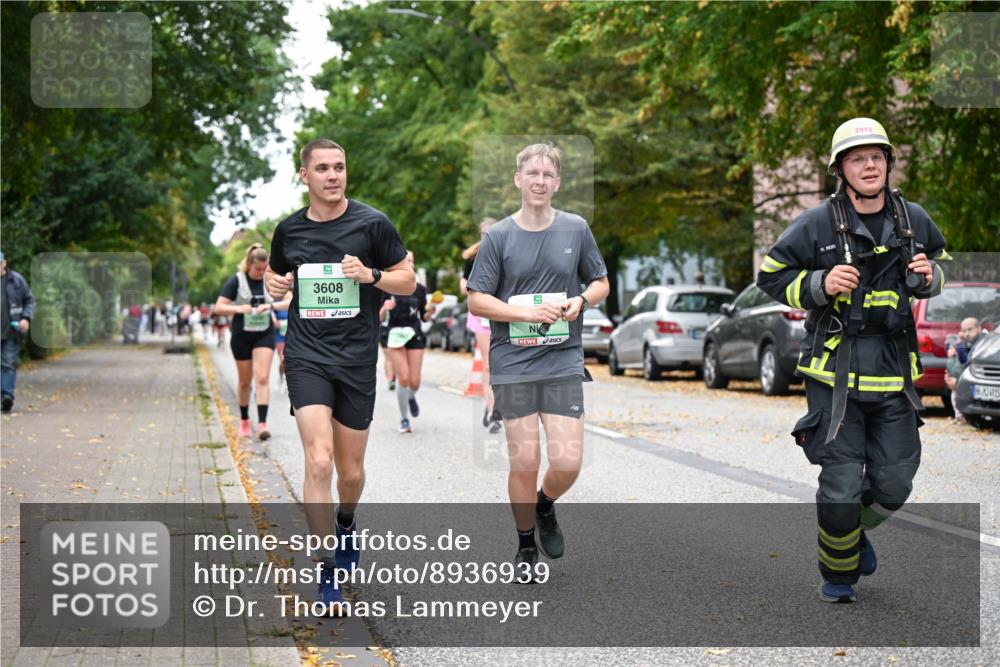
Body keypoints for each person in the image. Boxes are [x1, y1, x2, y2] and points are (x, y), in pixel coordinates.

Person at [757, 118, 950, 603]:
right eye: (857, 158)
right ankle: (839, 575)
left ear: (887, 163)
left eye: (876, 157)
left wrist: (929, 277)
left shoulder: (914, 220)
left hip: (893, 373)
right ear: (841, 169)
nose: (869, 165)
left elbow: (942, 269)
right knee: (841, 484)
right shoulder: (817, 223)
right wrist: (819, 285)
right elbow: (771, 275)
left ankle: (850, 530)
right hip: (834, 376)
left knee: (895, 481)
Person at [264, 138, 414, 613]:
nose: (333, 176)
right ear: (304, 176)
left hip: (355, 360)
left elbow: (406, 280)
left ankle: (346, 520)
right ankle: (326, 572)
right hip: (307, 356)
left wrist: (370, 275)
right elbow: (273, 277)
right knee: (319, 462)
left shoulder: (372, 223)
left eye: (340, 167)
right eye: (323, 168)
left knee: (349, 473)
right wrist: (276, 283)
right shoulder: (288, 231)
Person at [467, 143, 609, 578]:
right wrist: (525, 313)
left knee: (566, 462)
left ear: (558, 183)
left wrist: (581, 301)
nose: (540, 181)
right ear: (519, 180)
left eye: (548, 175)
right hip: (514, 360)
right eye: (533, 174)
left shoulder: (575, 228)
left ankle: (545, 504)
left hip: (562, 357)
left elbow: (601, 282)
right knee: (524, 461)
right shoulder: (498, 237)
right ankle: (526, 544)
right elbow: (477, 300)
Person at [214, 243, 290, 441]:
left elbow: (291, 300)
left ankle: (263, 424)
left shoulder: (269, 280)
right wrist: (241, 309)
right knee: (245, 381)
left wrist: (270, 305)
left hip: (264, 334)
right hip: (241, 335)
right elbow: (219, 307)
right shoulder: (236, 281)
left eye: (264, 269)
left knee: (263, 378)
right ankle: (245, 420)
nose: (261, 273)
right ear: (248, 264)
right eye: (258, 269)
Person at [379, 251, 437, 433]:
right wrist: (384, 309)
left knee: (415, 382)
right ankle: (404, 419)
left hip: (415, 334)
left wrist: (431, 312)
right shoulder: (385, 287)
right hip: (395, 334)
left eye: (411, 260)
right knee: (403, 378)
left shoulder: (419, 289)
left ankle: (410, 396)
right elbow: (377, 318)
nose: (410, 263)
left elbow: (423, 316)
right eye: (406, 260)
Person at [461, 217, 502, 434]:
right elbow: (463, 286)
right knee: (488, 364)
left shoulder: (507, 254)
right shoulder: (473, 258)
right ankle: (491, 410)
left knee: (504, 362)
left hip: (503, 313)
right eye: (485, 233)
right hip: (481, 316)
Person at [1, 252, 36, 414]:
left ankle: (7, 396)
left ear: (4, 263)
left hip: (12, 331)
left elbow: (29, 300)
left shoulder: (16, 280)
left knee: (7, 363)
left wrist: (26, 319)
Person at [945, 317, 983, 421]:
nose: (966, 333)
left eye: (970, 330)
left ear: (979, 329)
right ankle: (961, 415)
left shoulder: (982, 343)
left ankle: (967, 416)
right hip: (959, 379)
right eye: (964, 330)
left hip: (974, 382)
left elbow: (965, 361)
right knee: (948, 392)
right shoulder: (966, 342)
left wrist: (958, 383)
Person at [274, 301, 289, 393]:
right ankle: (281, 377)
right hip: (280, 337)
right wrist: (276, 322)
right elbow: (272, 320)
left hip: (292, 336)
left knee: (289, 361)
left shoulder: (295, 300)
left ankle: (288, 381)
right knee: (283, 360)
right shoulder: (276, 302)